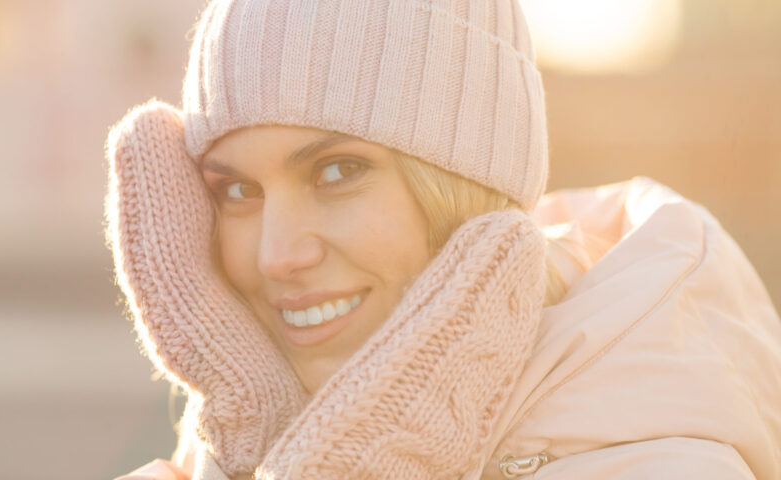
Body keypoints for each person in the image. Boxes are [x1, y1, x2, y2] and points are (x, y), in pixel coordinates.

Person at [104, 0, 781, 479]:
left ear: (463, 186)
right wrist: (249, 446)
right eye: (237, 192)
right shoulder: (238, 433)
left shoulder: (666, 463)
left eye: (339, 172)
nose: (277, 255)